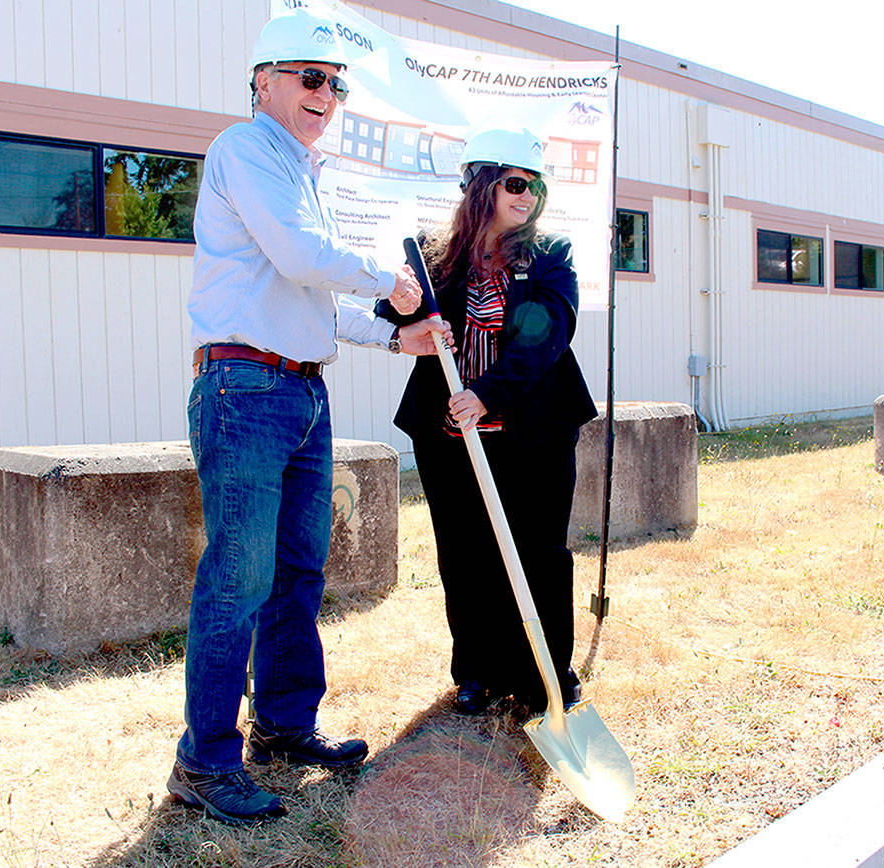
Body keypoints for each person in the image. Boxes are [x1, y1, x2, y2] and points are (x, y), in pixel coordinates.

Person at [167, 11, 447, 825]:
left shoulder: (304, 172)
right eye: (311, 77)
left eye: (338, 84)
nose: (328, 94)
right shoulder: (246, 149)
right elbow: (300, 255)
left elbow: (314, 298)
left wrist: (402, 338)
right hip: (245, 390)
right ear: (263, 81)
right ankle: (205, 762)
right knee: (239, 577)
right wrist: (388, 281)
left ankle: (283, 727)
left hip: (299, 389)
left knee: (295, 571)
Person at [378, 126, 597, 716]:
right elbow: (393, 313)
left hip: (534, 429)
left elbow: (547, 332)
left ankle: (546, 672)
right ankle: (475, 668)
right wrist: (399, 303)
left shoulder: (551, 254)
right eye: (517, 183)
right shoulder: (432, 255)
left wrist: (486, 394)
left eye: (536, 187)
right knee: (466, 550)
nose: (528, 197)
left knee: (539, 549)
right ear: (481, 186)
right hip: (447, 432)